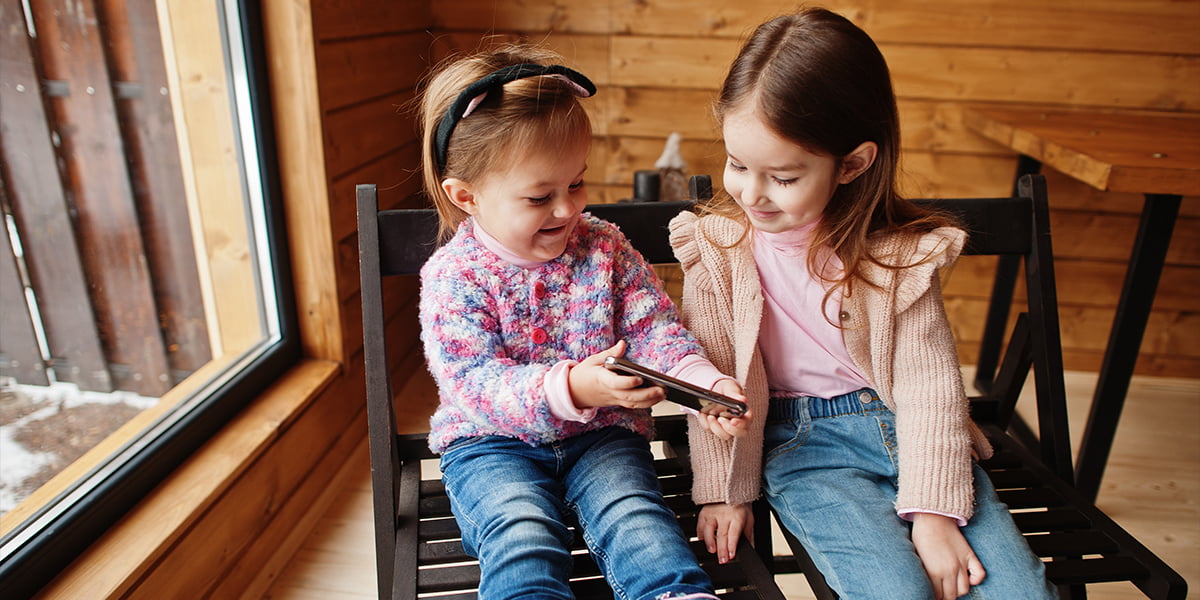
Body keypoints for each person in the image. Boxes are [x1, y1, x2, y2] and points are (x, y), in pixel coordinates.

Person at [668, 9, 1058, 600]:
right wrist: (726, 490)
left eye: (784, 177)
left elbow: (930, 390)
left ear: (852, 164)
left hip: (908, 427)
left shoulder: (898, 258)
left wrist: (934, 513)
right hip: (804, 448)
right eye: (738, 165)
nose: (751, 193)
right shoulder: (717, 251)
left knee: (1017, 594)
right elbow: (717, 384)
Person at [416, 44, 749, 600]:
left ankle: (676, 593)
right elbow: (472, 382)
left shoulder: (604, 247)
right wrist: (573, 386)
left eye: (576, 183)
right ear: (466, 196)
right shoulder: (455, 276)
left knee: (637, 519)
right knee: (522, 534)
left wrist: (702, 383)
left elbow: (654, 328)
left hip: (602, 437)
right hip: (492, 443)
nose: (568, 209)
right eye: (540, 196)